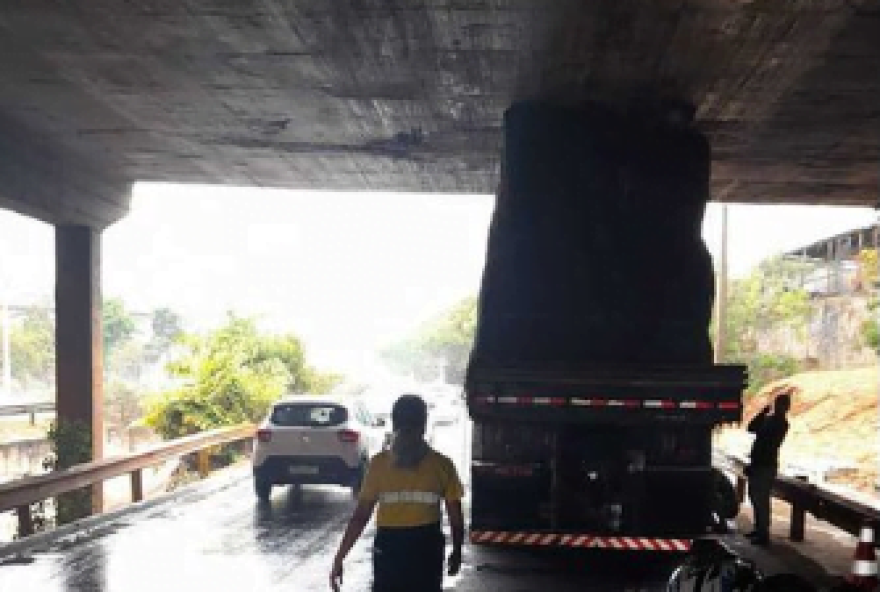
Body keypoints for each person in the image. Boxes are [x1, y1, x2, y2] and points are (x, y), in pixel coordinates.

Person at [330, 394, 464, 592]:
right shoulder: (442, 465)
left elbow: (360, 517)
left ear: (394, 424)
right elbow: (455, 517)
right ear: (424, 424)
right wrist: (457, 551)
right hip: (426, 549)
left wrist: (340, 557)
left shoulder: (379, 465)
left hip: (389, 550)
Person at [745, 392, 791, 547]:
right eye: (777, 403)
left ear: (786, 408)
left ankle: (763, 533)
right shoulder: (769, 420)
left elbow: (766, 444)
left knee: (761, 499)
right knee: (754, 496)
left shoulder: (781, 423)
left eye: (781, 404)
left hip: (765, 465)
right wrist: (762, 413)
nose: (778, 407)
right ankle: (759, 529)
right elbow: (751, 428)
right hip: (759, 463)